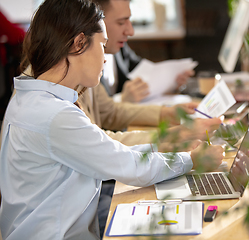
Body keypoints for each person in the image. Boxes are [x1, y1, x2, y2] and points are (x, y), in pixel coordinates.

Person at [0, 1, 224, 240]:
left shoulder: (32, 97)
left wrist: (170, 145)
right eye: (102, 45)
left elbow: (108, 150)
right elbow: (129, 165)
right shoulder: (54, 114)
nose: (106, 59)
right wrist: (191, 160)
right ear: (79, 43)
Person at [95, 0, 194, 102]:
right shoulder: (84, 65)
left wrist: (172, 82)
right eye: (121, 23)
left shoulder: (119, 48)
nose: (131, 32)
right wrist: (122, 100)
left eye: (129, 21)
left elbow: (143, 74)